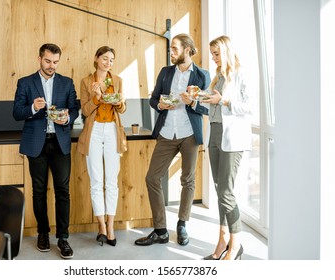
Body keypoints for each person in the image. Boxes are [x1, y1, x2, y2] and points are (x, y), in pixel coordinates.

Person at [134, 33, 210, 246]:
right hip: (167, 133)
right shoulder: (166, 73)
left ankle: (182, 223)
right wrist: (160, 105)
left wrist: (192, 103)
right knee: (152, 178)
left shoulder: (202, 76)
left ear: (187, 49)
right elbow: (153, 99)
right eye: (171, 49)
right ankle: (160, 230)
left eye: (175, 48)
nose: (171, 52)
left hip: (189, 134)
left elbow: (208, 107)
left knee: (188, 180)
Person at [13, 43, 80, 259]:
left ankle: (63, 238)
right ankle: (43, 233)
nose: (52, 66)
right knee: (39, 191)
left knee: (63, 191)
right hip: (36, 144)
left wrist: (68, 118)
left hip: (59, 141)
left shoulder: (67, 83)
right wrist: (33, 108)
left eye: (55, 62)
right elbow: (17, 113)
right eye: (48, 61)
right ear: (39, 59)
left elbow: (75, 108)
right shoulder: (25, 83)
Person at [201, 35, 253, 260]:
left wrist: (223, 101)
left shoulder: (240, 74)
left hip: (232, 138)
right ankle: (222, 239)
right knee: (218, 188)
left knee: (225, 191)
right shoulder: (217, 76)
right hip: (214, 134)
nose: (213, 58)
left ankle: (236, 244)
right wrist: (197, 99)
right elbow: (214, 108)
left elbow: (250, 107)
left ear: (226, 51)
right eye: (212, 54)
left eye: (216, 54)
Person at [77, 46, 126, 247]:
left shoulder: (118, 81)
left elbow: (122, 108)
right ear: (96, 59)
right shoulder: (86, 82)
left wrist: (118, 102)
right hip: (94, 130)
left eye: (112, 60)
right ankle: (101, 226)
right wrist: (97, 97)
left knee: (111, 181)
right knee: (96, 180)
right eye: (105, 58)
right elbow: (85, 111)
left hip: (113, 130)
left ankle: (111, 225)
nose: (108, 63)